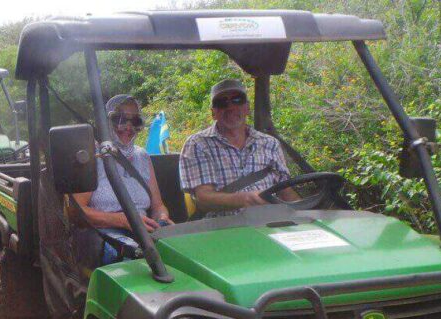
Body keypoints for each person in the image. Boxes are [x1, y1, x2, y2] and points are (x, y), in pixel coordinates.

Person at [72, 94, 172, 265]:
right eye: (120, 119)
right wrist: (123, 220)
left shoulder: (142, 156)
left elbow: (158, 206)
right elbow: (76, 211)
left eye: (135, 121)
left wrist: (162, 219)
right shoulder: (90, 156)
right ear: (106, 122)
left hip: (142, 233)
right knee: (130, 259)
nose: (128, 127)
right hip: (104, 235)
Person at [179, 79, 299, 218]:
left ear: (247, 108)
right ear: (213, 113)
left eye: (237, 100)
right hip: (222, 226)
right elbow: (203, 199)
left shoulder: (270, 143)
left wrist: (304, 213)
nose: (230, 107)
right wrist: (244, 199)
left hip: (269, 222)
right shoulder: (198, 144)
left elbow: (286, 192)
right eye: (221, 103)